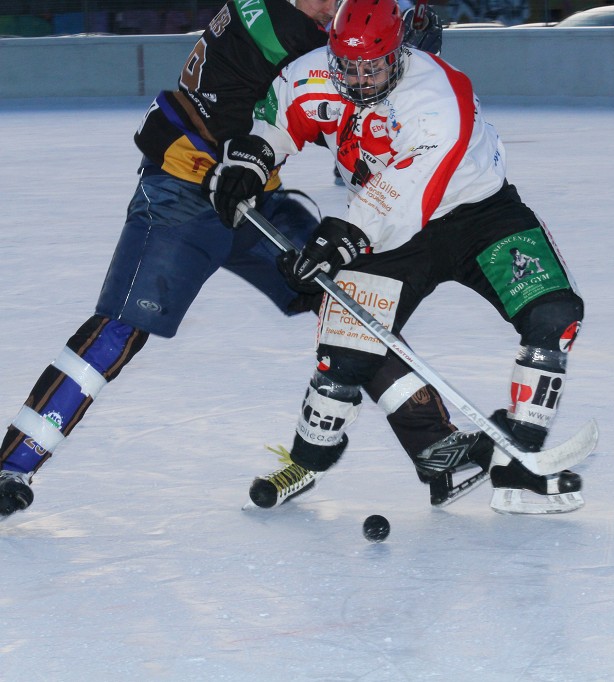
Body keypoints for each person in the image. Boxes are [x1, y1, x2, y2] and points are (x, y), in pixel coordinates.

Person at [0, 0, 480, 518]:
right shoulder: (291, 35)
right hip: (184, 197)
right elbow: (347, 90)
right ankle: (13, 465)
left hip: (253, 194)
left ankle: (435, 447)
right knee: (120, 328)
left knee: (348, 306)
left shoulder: (280, 21)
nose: (341, 12)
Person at [207, 0, 586, 514]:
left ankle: (519, 459)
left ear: (398, 53)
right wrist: (250, 163)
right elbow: (277, 120)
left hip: (476, 212)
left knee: (552, 314)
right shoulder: (311, 74)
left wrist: (341, 238)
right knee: (347, 348)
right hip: (386, 228)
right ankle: (315, 460)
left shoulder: (438, 95)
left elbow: (408, 191)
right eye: (348, 67)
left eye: (373, 68)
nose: (359, 81)